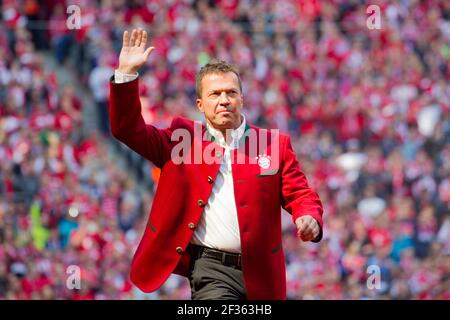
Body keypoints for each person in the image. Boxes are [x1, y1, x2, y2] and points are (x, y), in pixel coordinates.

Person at [109, 28, 324, 300]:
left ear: (242, 99)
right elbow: (127, 129)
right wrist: (126, 75)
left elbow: (300, 193)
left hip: (262, 274)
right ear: (200, 104)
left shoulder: (273, 145)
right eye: (215, 94)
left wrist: (309, 217)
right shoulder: (181, 140)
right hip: (209, 269)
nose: (224, 100)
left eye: (231, 92)